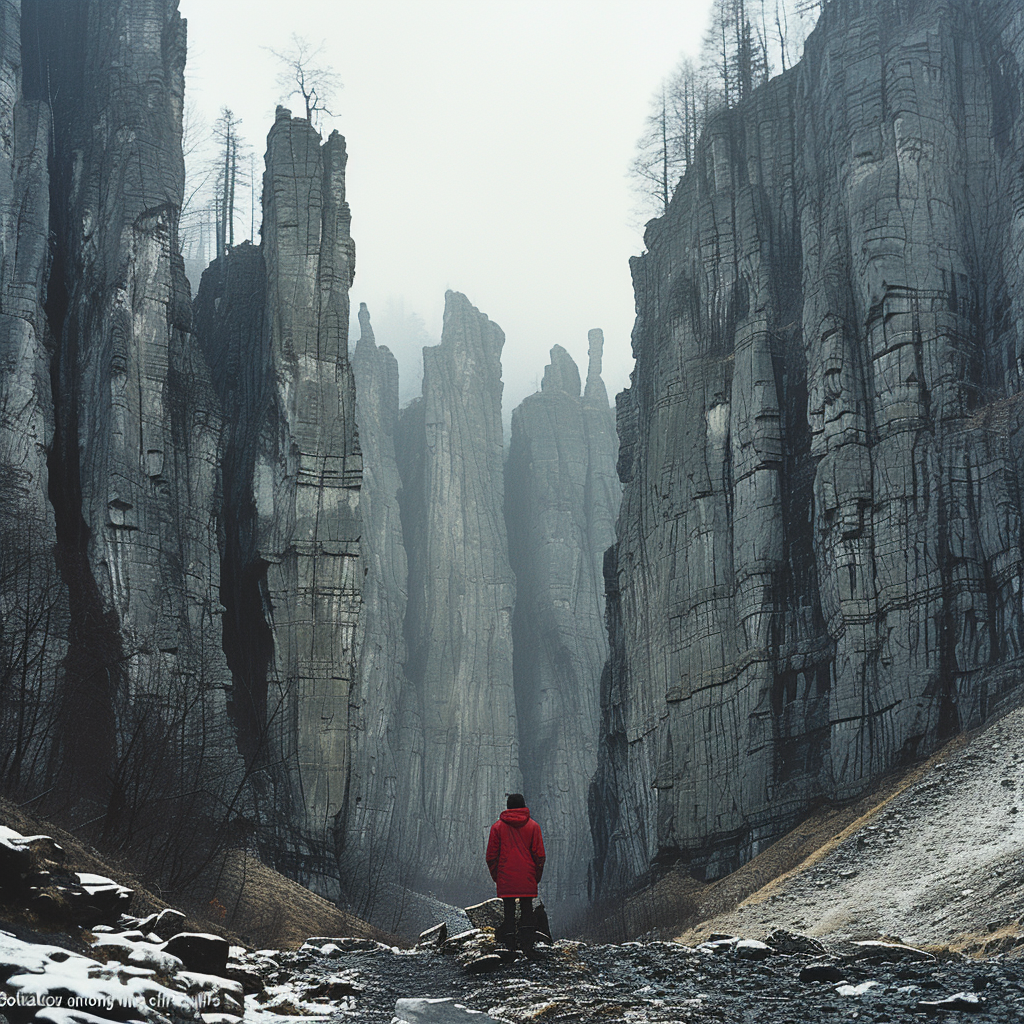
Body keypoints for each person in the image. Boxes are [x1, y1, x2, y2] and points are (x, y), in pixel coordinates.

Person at [485, 793, 546, 956]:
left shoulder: (497, 827)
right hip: (527, 876)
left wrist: (497, 876)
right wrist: (535, 876)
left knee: (508, 910)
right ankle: (527, 945)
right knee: (527, 909)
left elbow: (491, 856)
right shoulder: (534, 826)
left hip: (506, 876)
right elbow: (539, 855)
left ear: (508, 807)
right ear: (524, 805)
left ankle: (510, 944)